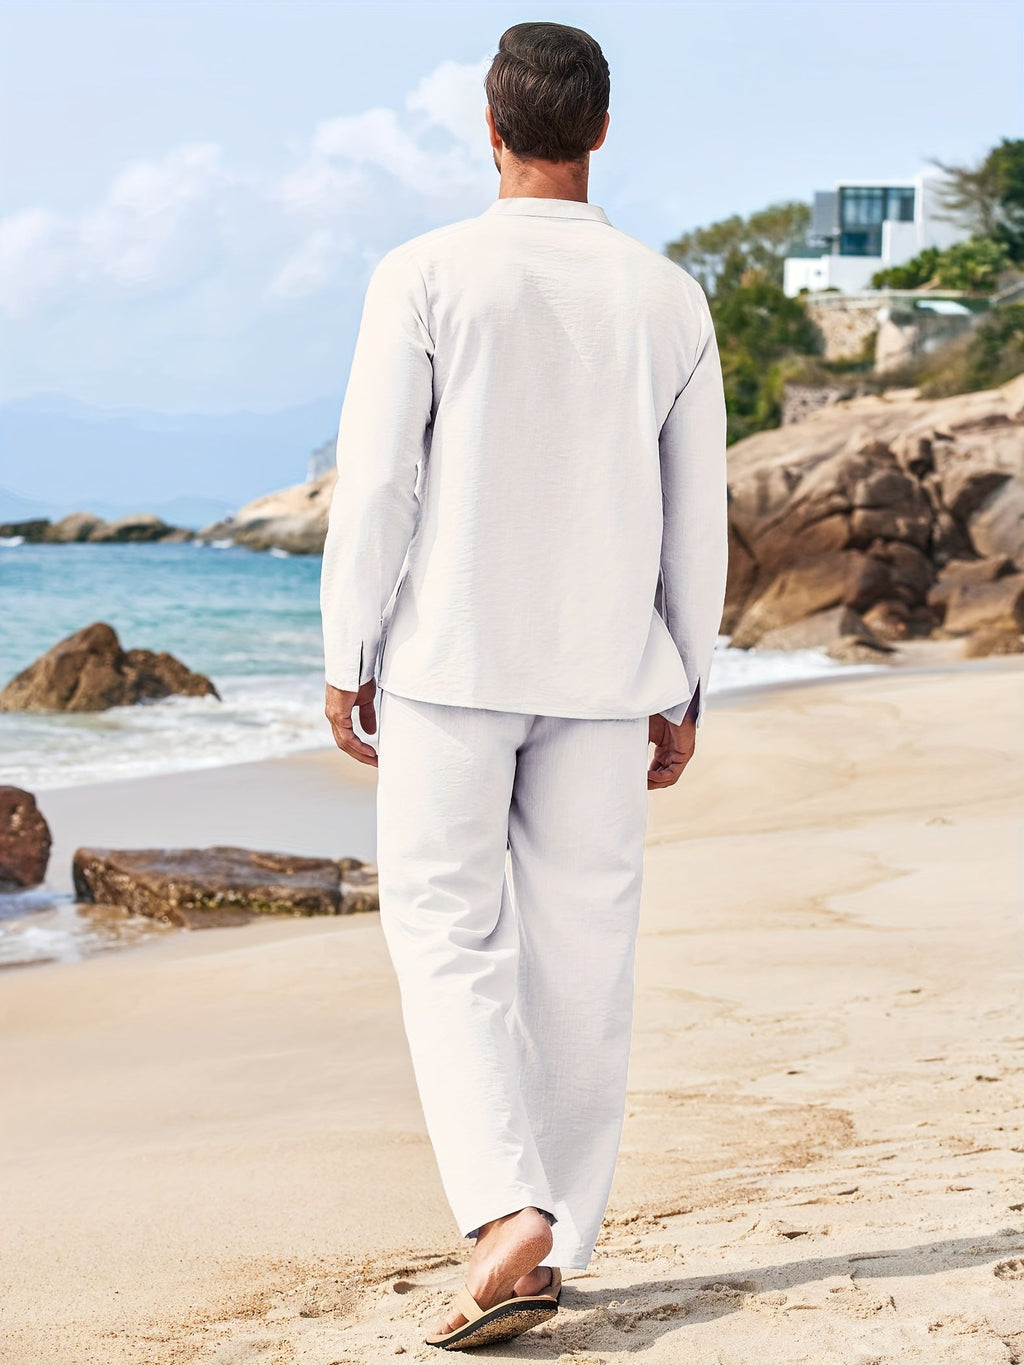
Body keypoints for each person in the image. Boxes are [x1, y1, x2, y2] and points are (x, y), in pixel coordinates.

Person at [320, 19, 728, 1351]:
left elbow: (379, 482)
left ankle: (506, 1209)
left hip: (451, 665)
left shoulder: (425, 272)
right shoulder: (667, 294)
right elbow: (695, 515)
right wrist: (691, 678)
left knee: (446, 933)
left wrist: (347, 651)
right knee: (583, 952)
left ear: (489, 130)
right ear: (601, 132)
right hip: (611, 675)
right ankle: (553, 1234)